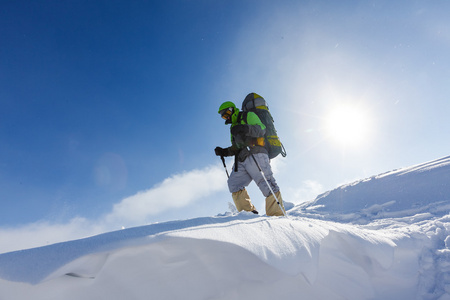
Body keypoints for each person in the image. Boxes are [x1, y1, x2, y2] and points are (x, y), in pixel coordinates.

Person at [214, 100, 285, 216]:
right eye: (223, 117)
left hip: (256, 153)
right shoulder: (233, 127)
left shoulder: (248, 116)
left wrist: (245, 128)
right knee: (233, 184)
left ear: (232, 110)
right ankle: (248, 214)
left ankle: (277, 214)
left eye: (226, 114)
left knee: (265, 182)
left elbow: (261, 129)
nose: (226, 118)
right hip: (242, 158)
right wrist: (224, 152)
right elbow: (236, 147)